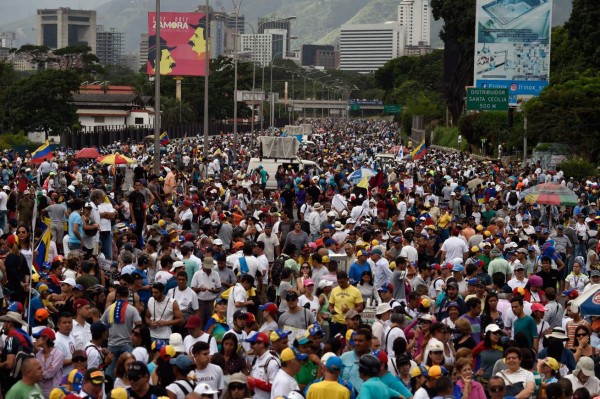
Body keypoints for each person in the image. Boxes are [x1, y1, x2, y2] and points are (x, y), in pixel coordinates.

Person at [101, 285, 143, 378]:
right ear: (128, 295)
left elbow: (102, 324)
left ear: (117, 295)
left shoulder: (109, 308)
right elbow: (139, 324)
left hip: (112, 344)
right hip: (127, 343)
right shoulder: (132, 309)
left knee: (110, 372)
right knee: (130, 370)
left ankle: (110, 389)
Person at [329, 271, 364, 338]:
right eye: (339, 282)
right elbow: (330, 305)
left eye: (342, 282)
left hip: (349, 323)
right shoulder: (334, 290)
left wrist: (350, 310)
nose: (340, 284)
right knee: (334, 342)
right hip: (336, 322)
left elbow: (360, 307)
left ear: (347, 279)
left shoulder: (356, 291)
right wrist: (331, 310)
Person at [247, 332, 280, 399]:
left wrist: (254, 381)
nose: (250, 346)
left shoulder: (272, 362)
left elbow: (274, 386)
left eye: (252, 343)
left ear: (262, 344)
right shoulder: (257, 358)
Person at [33, 327, 63, 398]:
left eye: (38, 337)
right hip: (41, 392)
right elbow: (36, 373)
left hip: (55, 394)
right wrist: (43, 371)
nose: (36, 339)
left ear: (45, 338)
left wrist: (40, 373)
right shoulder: (38, 354)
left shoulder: (58, 354)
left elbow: (49, 374)